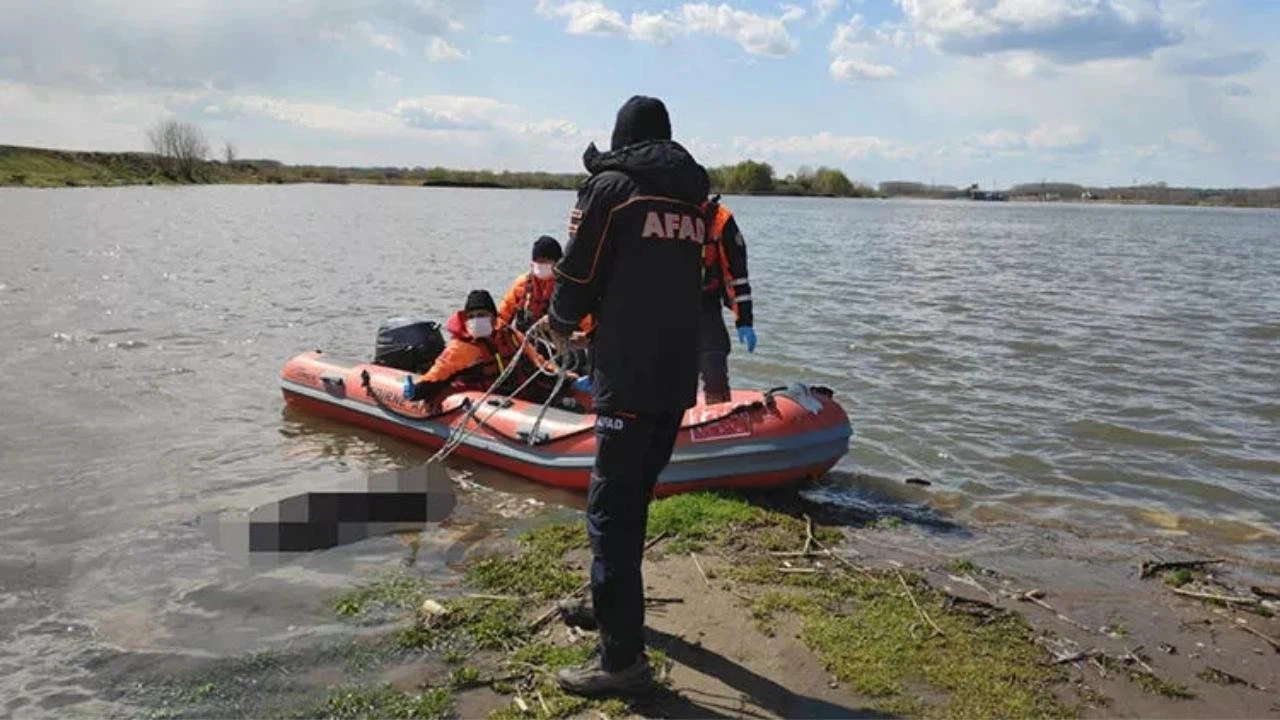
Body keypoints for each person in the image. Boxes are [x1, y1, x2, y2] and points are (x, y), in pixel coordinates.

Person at [533, 95, 710, 697]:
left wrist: (558, 323)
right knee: (632, 502)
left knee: (610, 514)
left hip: (628, 379)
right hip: (673, 382)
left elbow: (578, 273)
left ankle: (621, 663)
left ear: (620, 137)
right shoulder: (693, 198)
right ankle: (612, 610)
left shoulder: (610, 190)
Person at [402, 289, 567, 406]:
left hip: (516, 394)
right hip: (484, 401)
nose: (476, 320)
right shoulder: (461, 347)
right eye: (471, 316)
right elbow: (438, 373)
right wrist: (417, 390)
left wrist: (565, 376)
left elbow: (536, 360)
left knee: (564, 398)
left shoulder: (509, 334)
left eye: (482, 315)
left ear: (493, 318)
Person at [698, 194, 757, 404]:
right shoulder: (652, 210)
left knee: (714, 360)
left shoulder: (719, 219)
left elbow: (737, 274)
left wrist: (744, 321)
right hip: (660, 305)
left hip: (705, 303)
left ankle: (718, 414)